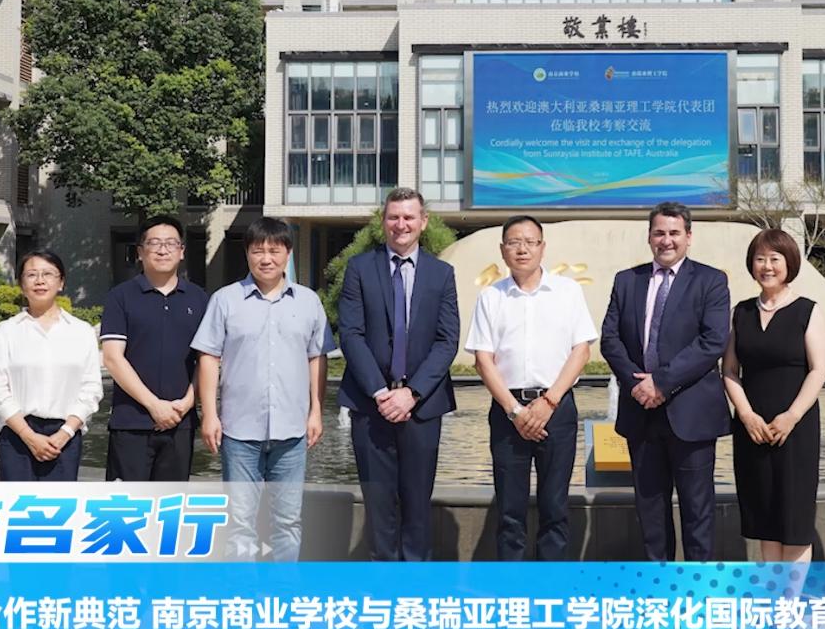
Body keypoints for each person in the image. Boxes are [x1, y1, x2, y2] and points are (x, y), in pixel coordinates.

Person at [192, 217, 333, 561]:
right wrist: (209, 414)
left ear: (288, 254)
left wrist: (316, 410)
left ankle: (282, 588)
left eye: (274, 250)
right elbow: (208, 357)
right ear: (247, 254)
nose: (266, 258)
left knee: (288, 521)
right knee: (240, 523)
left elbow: (317, 358)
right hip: (239, 431)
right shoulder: (225, 300)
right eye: (258, 251)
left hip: (292, 431)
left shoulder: (308, 302)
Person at [601, 202, 731, 561]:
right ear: (649, 237)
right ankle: (658, 587)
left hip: (691, 414)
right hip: (640, 413)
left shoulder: (711, 281)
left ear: (689, 237)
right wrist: (637, 385)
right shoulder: (627, 280)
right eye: (659, 233)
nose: (666, 240)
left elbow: (712, 341)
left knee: (697, 512)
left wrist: (660, 382)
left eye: (674, 233)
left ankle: (698, 589)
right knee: (651, 515)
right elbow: (610, 339)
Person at [337, 188, 460, 561]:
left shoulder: (442, 274)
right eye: (394, 217)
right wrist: (380, 392)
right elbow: (351, 334)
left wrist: (413, 393)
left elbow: (447, 341)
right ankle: (383, 583)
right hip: (370, 405)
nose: (401, 224)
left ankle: (416, 583)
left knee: (418, 504)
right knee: (379, 506)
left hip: (422, 407)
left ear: (423, 221)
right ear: (383, 221)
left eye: (409, 217)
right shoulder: (360, 268)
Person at [465, 216, 597, 560]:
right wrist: (515, 411)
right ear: (503, 250)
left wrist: (548, 402)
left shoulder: (567, 292)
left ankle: (550, 585)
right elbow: (483, 359)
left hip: (557, 409)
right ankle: (513, 586)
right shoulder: (490, 296)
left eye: (530, 242)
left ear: (542, 247)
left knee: (555, 507)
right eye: (514, 242)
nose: (522, 249)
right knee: (510, 511)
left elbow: (581, 351)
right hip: (508, 411)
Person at [724, 229, 825, 575]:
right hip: (753, 429)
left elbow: (819, 370)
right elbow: (730, 371)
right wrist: (746, 414)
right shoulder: (740, 313)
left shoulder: (807, 311)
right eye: (760, 259)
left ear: (789, 263)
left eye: (774, 258)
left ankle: (789, 602)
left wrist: (791, 416)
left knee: (794, 521)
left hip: (794, 428)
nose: (767, 266)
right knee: (765, 519)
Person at [99, 216, 209, 482]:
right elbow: (112, 358)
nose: (163, 250)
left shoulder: (199, 299)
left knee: (171, 504)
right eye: (154, 243)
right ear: (140, 252)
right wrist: (154, 405)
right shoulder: (120, 297)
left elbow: (207, 360)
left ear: (182, 251)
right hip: (131, 422)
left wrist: (187, 403)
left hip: (180, 421)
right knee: (127, 504)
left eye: (171, 243)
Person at [0, 250, 103, 482]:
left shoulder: (81, 331)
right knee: (18, 504)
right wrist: (29, 436)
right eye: (32, 275)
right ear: (21, 284)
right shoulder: (6, 331)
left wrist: (65, 432)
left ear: (61, 282)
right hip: (17, 434)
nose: (40, 281)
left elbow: (91, 389)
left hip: (65, 436)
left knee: (59, 504)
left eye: (48, 274)